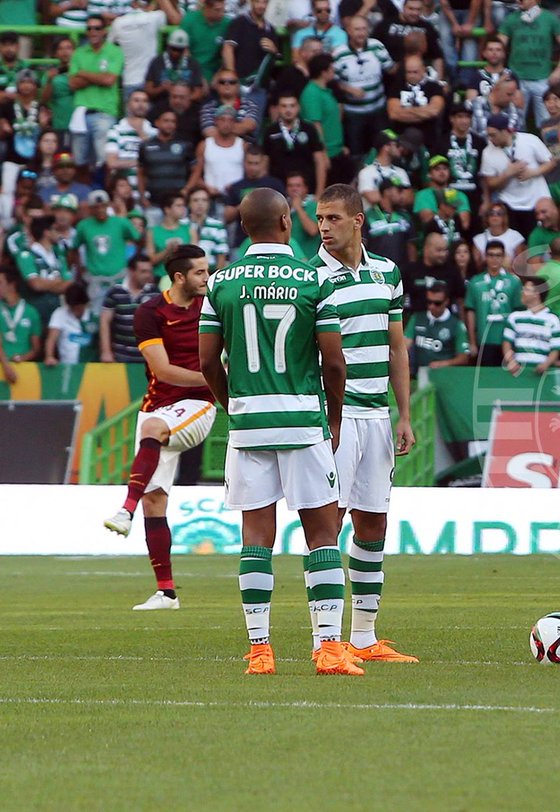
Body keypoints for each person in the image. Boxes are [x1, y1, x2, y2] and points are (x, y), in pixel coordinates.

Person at [197, 187, 359, 677]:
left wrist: (233, 405)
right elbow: (334, 361)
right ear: (287, 221)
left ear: (243, 226)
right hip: (303, 421)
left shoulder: (220, 282)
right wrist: (333, 417)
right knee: (322, 534)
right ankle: (328, 648)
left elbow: (207, 361)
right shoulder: (314, 278)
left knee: (256, 537)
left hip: (248, 424)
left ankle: (260, 651)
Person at [310, 184, 419, 663]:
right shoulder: (311, 277)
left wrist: (404, 413)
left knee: (373, 521)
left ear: (357, 221)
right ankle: (326, 642)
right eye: (320, 218)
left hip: (377, 415)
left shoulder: (387, 272)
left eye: (333, 218)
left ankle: (364, 637)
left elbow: (397, 347)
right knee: (328, 522)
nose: (324, 227)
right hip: (335, 416)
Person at [102, 245, 215, 609]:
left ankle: (125, 509)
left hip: (199, 404)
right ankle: (166, 592)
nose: (207, 277)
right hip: (158, 405)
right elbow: (163, 371)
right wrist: (217, 378)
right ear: (179, 277)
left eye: (207, 270)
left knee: (153, 428)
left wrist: (217, 385)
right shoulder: (150, 312)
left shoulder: (213, 306)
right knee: (155, 500)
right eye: (199, 272)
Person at [498, 0, 560, 128]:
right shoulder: (511, 19)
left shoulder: (550, 18)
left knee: (548, 124)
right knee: (516, 124)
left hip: (542, 79)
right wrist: (501, 70)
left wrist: (559, 69)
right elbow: (499, 43)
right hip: (518, 80)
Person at [480, 113, 556, 234]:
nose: (490, 139)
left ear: (504, 131)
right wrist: (507, 174)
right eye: (488, 135)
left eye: (493, 135)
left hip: (536, 201)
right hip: (510, 204)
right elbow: (490, 183)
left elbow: (551, 163)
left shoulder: (530, 140)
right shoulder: (487, 152)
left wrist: (533, 172)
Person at [332, 16, 397, 159]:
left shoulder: (377, 46)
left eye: (364, 29)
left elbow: (391, 69)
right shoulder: (339, 53)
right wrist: (348, 89)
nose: (361, 33)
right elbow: (332, 81)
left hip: (378, 110)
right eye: (357, 29)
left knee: (383, 150)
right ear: (349, 31)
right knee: (356, 153)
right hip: (353, 113)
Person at [68, 16, 124, 169]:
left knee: (104, 163)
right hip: (81, 114)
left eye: (97, 28)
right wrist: (99, 76)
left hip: (104, 113)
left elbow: (109, 80)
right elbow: (73, 84)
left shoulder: (114, 51)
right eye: (89, 28)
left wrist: (83, 73)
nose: (93, 32)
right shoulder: (78, 53)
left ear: (104, 31)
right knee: (79, 163)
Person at [72, 191, 143, 308]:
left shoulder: (121, 222)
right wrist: (80, 270)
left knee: (124, 310)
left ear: (108, 205)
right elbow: (74, 248)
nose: (100, 210)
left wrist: (133, 263)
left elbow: (138, 239)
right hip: (96, 278)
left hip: (120, 276)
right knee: (96, 311)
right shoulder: (83, 226)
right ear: (91, 209)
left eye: (103, 206)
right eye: (96, 207)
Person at [465, 239, 525, 364]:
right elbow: (470, 312)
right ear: (485, 257)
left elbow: (518, 312)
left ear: (503, 257)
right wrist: (472, 341)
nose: (494, 259)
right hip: (484, 338)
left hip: (507, 339)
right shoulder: (475, 282)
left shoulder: (514, 282)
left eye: (498, 255)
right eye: (491, 255)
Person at [110, 0, 180, 98]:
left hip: (130, 80)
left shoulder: (118, 22)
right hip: (151, 82)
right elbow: (176, 20)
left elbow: (109, 46)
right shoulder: (155, 17)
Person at [100, 254, 157, 363]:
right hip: (121, 355)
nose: (147, 275)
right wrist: (106, 351)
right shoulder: (115, 292)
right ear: (131, 271)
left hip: (148, 357)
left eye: (149, 272)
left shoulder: (155, 293)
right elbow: (104, 322)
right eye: (143, 272)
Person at [502, 277, 560, 375]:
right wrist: (511, 361)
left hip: (543, 373)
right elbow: (507, 342)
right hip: (518, 370)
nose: (522, 292)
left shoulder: (553, 319)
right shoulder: (515, 317)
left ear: (537, 293)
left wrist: (546, 364)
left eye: (526, 290)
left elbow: (556, 347)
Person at [385, 54, 447, 148]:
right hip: (401, 139)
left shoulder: (434, 87)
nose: (412, 75)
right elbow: (394, 114)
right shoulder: (396, 87)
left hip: (428, 139)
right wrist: (424, 112)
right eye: (408, 72)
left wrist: (405, 111)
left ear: (423, 70)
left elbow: (434, 111)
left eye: (415, 72)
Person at [406, 282, 470, 369]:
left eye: (437, 303)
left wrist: (444, 363)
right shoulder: (417, 318)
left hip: (444, 372)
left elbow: (464, 357)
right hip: (420, 372)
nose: (432, 306)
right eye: (429, 302)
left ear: (446, 302)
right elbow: (405, 345)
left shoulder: (456, 325)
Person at [405, 231, 465, 313]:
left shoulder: (452, 271)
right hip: (418, 319)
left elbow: (460, 300)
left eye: (445, 250)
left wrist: (461, 320)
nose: (443, 254)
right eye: (439, 250)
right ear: (426, 249)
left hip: (445, 320)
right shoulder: (410, 271)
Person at [44, 282, 97, 365]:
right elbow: (51, 339)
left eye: (78, 309)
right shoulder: (59, 313)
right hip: (66, 365)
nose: (75, 312)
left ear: (85, 304)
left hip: (90, 366)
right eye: (72, 308)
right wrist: (49, 356)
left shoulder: (94, 316)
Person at [0, 268, 42, 363]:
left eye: (0, 283)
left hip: (23, 366)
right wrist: (6, 365)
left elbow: (36, 348)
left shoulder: (31, 312)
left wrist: (22, 358)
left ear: (12, 285)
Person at [181, 0, 229, 81]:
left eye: (223, 10)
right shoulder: (189, 20)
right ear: (206, 8)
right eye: (217, 10)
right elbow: (184, 50)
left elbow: (227, 54)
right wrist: (197, 75)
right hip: (190, 68)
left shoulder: (227, 23)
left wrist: (219, 75)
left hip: (214, 71)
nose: (221, 14)